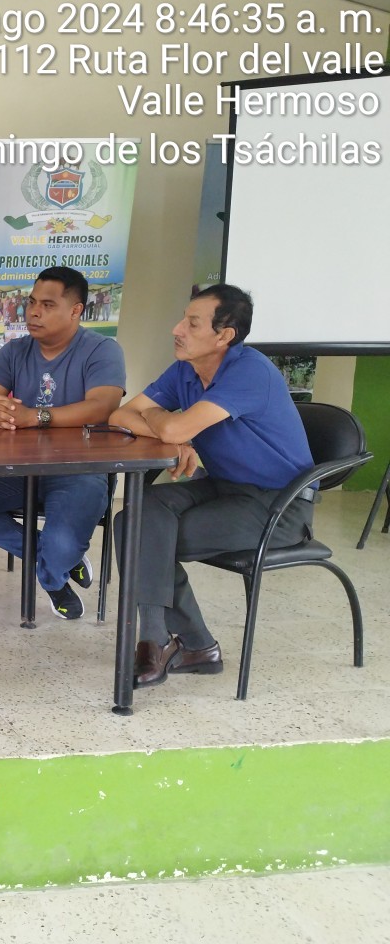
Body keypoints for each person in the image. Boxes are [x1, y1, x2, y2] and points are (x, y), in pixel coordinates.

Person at [109, 284, 315, 688]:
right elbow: (120, 416)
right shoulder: (186, 370)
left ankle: (158, 642)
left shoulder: (250, 371)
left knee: (145, 537)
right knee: (134, 517)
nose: (177, 329)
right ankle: (192, 646)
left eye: (192, 323)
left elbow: (169, 425)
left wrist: (168, 426)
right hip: (222, 485)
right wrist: (174, 435)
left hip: (279, 505)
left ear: (225, 336)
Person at [0, 266, 125, 621]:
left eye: (47, 305)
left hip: (81, 470)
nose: (33, 312)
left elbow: (102, 406)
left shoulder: (102, 349)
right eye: (31, 302)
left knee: (61, 543)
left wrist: (37, 416)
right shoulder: (15, 351)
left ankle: (53, 573)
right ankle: (60, 566)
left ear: (76, 310)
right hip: (20, 468)